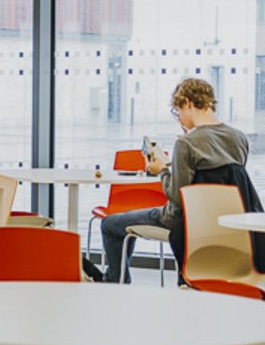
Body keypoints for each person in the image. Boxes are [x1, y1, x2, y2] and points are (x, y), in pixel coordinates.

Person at [100, 76, 248, 283]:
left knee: (109, 224)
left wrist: (161, 170)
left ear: (187, 103)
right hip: (222, 224)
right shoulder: (239, 137)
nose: (178, 118)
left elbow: (178, 198)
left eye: (178, 112)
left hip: (181, 221)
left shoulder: (187, 143)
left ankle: (116, 283)